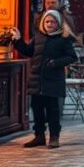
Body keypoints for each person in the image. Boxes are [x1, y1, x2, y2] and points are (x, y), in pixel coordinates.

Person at [11, 10, 77, 149]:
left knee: (52, 109)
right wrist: (17, 40)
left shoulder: (63, 39)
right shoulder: (38, 37)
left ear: (58, 23)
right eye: (47, 21)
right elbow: (29, 51)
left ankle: (54, 137)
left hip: (53, 80)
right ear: (42, 23)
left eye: (52, 22)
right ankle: (39, 136)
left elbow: (72, 57)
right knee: (37, 108)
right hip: (37, 79)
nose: (49, 24)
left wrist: (55, 63)